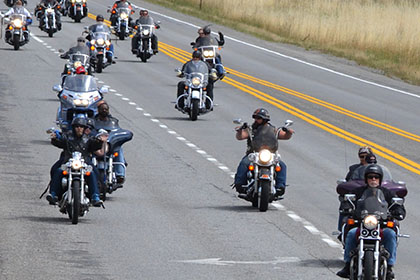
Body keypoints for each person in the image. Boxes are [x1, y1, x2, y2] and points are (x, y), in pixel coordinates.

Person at [336, 164, 406, 279]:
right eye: (370, 177)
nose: (373, 179)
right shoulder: (358, 191)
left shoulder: (387, 192)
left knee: (391, 234)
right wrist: (347, 205)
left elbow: (396, 204)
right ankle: (348, 265)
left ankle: (389, 266)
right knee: (351, 233)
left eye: (376, 177)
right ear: (366, 179)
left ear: (380, 179)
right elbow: (348, 200)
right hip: (361, 223)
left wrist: (398, 210)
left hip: (380, 225)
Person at [233, 108, 294, 198]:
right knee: (244, 163)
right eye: (255, 118)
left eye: (258, 118)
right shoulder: (250, 129)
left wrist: (288, 132)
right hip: (253, 155)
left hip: (270, 155)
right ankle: (240, 185)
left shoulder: (273, 130)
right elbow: (240, 137)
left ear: (265, 119)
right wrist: (240, 131)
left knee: (282, 166)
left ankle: (280, 187)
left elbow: (285, 136)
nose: (256, 120)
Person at [47, 117, 105, 207]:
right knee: (57, 170)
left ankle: (95, 196)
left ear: (84, 128)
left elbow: (95, 146)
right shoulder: (67, 137)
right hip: (68, 162)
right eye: (77, 126)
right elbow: (59, 142)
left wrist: (99, 141)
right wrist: (55, 139)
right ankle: (53, 194)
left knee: (94, 173)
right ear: (73, 127)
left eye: (81, 127)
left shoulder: (88, 138)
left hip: (84, 162)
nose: (79, 128)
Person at [94, 101, 126, 185]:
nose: (104, 110)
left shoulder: (113, 121)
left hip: (110, 143)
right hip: (97, 143)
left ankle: (120, 174)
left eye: (106, 109)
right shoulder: (93, 121)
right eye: (102, 109)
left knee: (118, 149)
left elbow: (118, 130)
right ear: (98, 110)